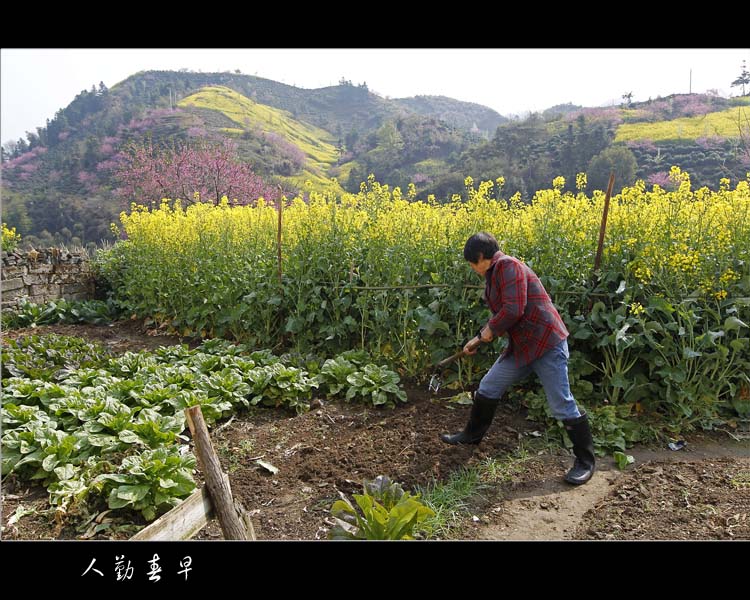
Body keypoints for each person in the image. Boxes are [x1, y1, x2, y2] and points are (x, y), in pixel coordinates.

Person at [440, 232, 595, 485]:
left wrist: (486, 333)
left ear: (481, 257)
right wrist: (480, 336)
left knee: (561, 403)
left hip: (546, 344)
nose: (472, 268)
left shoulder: (508, 266)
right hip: (522, 347)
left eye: (472, 262)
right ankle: (471, 435)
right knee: (489, 386)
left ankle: (585, 461)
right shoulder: (495, 273)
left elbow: (513, 309)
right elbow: (504, 313)